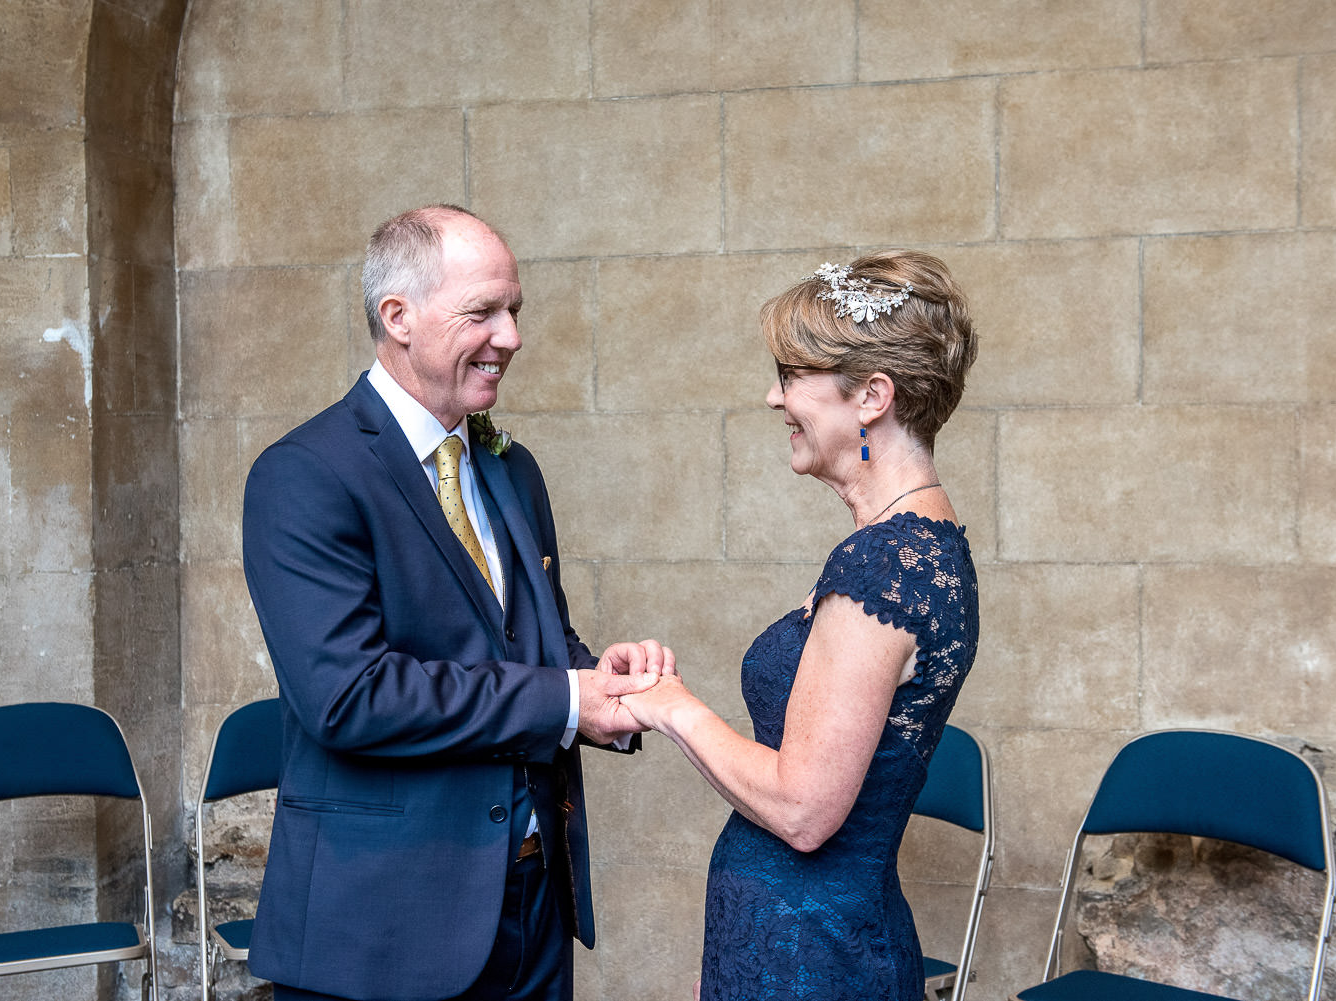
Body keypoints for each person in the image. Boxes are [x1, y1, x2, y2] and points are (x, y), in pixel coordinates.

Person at [241, 204, 673, 1001]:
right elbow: (349, 696)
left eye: (514, 310)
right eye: (484, 312)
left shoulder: (513, 468)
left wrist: (600, 677)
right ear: (397, 317)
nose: (510, 336)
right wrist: (564, 698)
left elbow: (528, 639)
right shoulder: (304, 474)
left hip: (533, 906)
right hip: (385, 923)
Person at [620, 252, 980, 1001]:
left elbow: (803, 809)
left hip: (814, 962)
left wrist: (670, 704)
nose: (772, 396)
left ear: (872, 396)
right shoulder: (916, 547)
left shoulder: (886, 564)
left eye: (790, 375)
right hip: (789, 946)